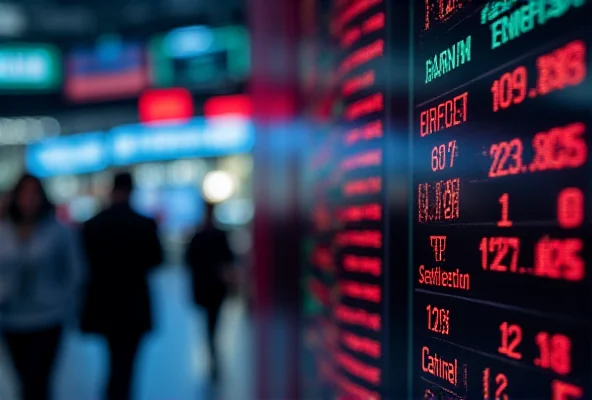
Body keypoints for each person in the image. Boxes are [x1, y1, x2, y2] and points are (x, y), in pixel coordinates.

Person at [0, 174, 86, 400]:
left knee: (37, 381)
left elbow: (75, 272)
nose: (29, 200)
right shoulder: (4, 230)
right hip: (11, 316)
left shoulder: (58, 231)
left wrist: (67, 306)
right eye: (24, 194)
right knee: (22, 380)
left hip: (47, 316)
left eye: (34, 194)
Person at [81, 172, 163, 400]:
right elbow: (157, 260)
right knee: (127, 361)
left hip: (104, 304)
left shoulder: (94, 224)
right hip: (134, 306)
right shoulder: (145, 224)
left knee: (112, 356)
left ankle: (112, 392)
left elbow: (85, 262)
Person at [185, 201, 235, 382]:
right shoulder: (206, 235)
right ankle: (212, 353)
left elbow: (189, 261)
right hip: (210, 287)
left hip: (210, 288)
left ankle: (212, 352)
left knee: (211, 323)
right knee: (211, 323)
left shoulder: (200, 235)